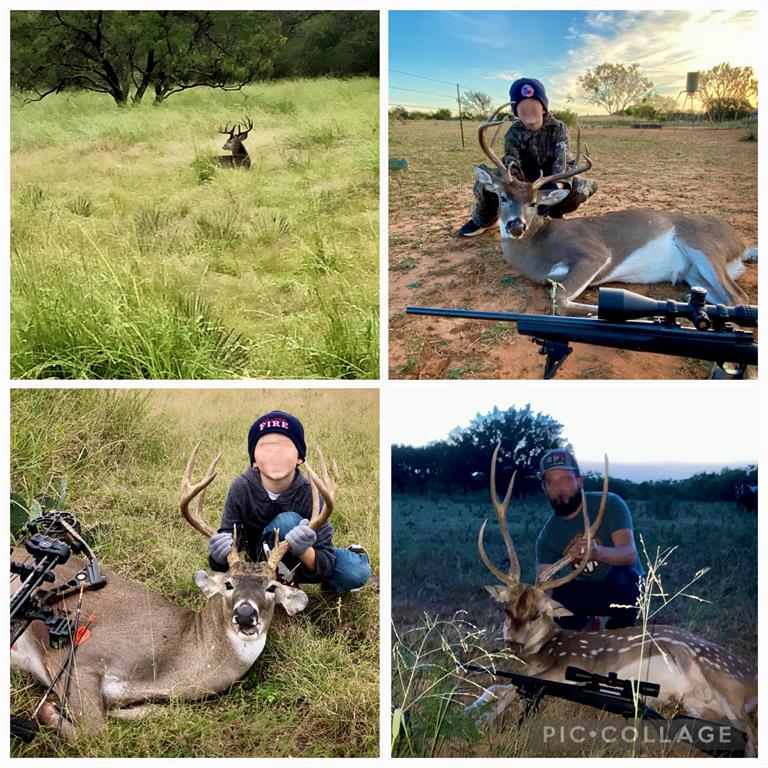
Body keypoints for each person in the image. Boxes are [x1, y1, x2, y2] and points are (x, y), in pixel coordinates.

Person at [207, 410, 371, 594]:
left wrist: (303, 549)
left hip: (303, 562)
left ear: (300, 457)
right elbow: (229, 544)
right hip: (260, 566)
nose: (275, 452)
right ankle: (282, 585)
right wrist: (217, 556)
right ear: (253, 460)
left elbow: (325, 558)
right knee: (287, 523)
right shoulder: (241, 488)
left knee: (356, 572)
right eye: (266, 446)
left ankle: (344, 568)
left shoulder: (312, 493)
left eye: (285, 446)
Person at [456, 77, 597, 237]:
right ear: (516, 112)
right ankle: (484, 221)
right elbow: (511, 162)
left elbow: (563, 162)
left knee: (578, 188)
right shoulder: (513, 133)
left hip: (548, 182)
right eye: (522, 106)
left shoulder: (558, 128)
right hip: (521, 183)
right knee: (486, 183)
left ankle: (553, 213)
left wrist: (553, 187)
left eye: (533, 104)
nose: (528, 109)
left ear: (543, 108)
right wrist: (517, 188)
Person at [535, 448, 643, 631]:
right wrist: (539, 611)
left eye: (565, 479)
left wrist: (597, 553)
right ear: (545, 488)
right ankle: (588, 627)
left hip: (624, 588)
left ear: (579, 481)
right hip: (589, 589)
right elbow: (545, 582)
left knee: (626, 579)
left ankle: (618, 632)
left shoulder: (610, 504)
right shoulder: (547, 536)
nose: (559, 488)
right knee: (556, 599)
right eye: (551, 482)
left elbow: (629, 554)